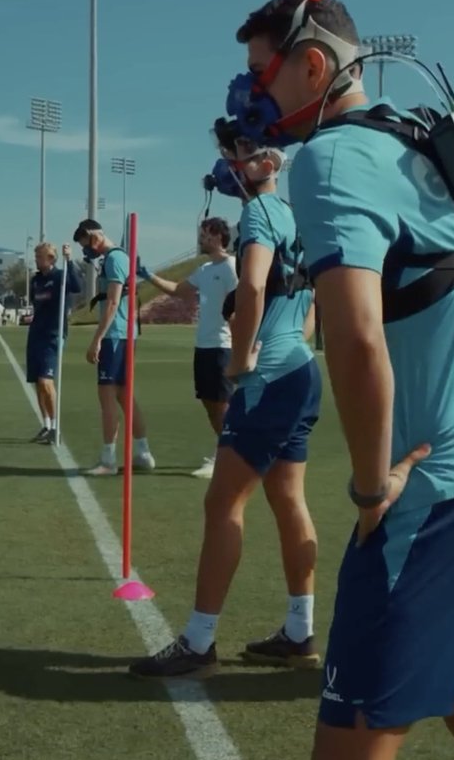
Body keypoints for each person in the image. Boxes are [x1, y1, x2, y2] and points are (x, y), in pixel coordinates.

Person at [230, 0, 454, 760]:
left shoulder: (329, 158)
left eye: (262, 73)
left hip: (424, 495)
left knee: (352, 750)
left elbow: (359, 338)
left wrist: (371, 491)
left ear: (314, 65)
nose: (254, 92)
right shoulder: (416, 132)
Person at [129, 132, 322, 679]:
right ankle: (299, 629)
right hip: (301, 370)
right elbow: (312, 297)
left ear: (265, 162)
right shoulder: (295, 212)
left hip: (269, 378)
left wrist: (240, 362)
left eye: (238, 153)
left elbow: (254, 287)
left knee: (222, 505)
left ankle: (198, 641)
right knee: (288, 500)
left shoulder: (261, 212)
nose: (227, 164)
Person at [141, 217, 238, 479]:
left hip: (222, 345)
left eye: (205, 234)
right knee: (209, 403)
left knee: (221, 404)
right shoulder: (205, 270)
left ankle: (227, 455)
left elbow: (242, 305)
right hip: (203, 346)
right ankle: (227, 449)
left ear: (218, 236)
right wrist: (148, 275)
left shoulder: (232, 267)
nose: (201, 238)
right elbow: (177, 290)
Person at [71, 218, 157, 475]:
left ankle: (108, 460)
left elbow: (112, 302)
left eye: (86, 244)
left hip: (116, 336)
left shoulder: (114, 259)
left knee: (107, 396)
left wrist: (96, 339)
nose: (87, 251)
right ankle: (143, 453)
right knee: (123, 395)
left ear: (93, 236)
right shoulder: (114, 259)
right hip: (122, 334)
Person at [25, 242, 82, 445]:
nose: (37, 260)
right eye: (36, 257)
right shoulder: (35, 281)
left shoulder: (60, 276)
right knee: (37, 384)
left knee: (46, 381)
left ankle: (56, 426)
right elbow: (36, 303)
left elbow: (77, 286)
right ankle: (47, 425)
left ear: (50, 258)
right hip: (36, 335)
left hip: (54, 335)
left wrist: (69, 259)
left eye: (40, 257)